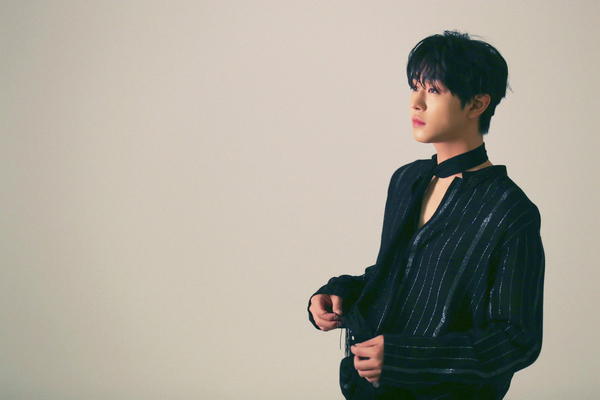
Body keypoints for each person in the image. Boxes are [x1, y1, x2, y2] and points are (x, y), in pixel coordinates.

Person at [307, 30, 545, 400]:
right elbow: (398, 276)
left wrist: (407, 359)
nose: (416, 103)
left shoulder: (509, 211)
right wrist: (337, 293)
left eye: (433, 90)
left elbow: (516, 338)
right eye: (415, 87)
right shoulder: (407, 180)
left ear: (477, 104)